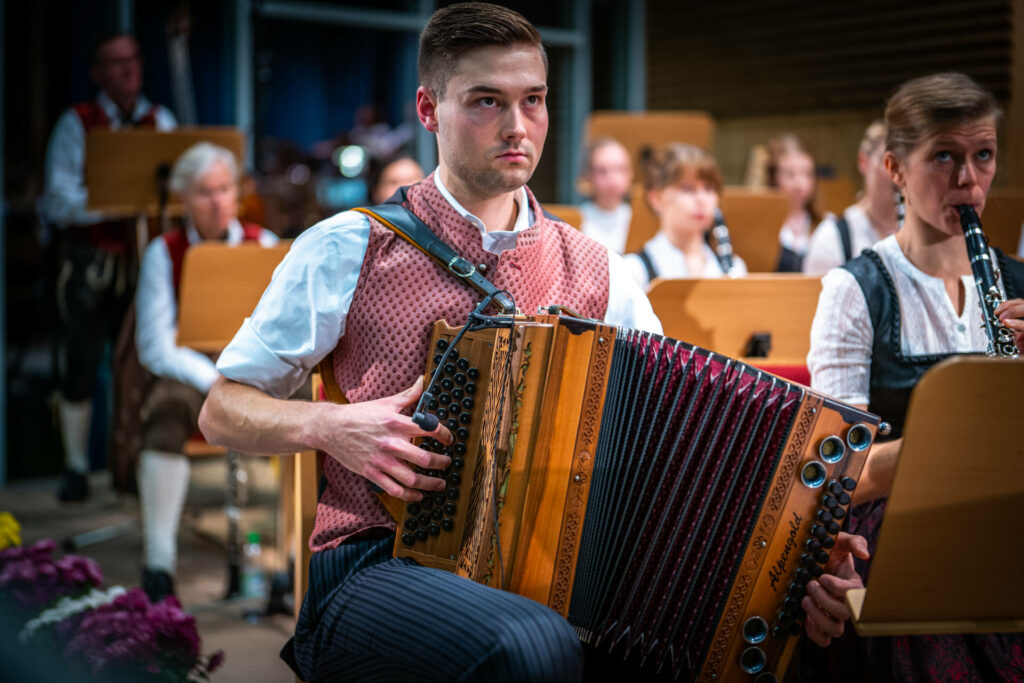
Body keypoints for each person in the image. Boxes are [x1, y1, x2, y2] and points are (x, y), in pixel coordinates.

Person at [198, 5, 862, 680]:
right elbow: (222, 409)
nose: (517, 125)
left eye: (534, 100)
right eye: (487, 101)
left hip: (560, 574)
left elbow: (679, 452)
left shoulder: (602, 272)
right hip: (374, 565)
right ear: (429, 110)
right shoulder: (350, 246)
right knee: (534, 646)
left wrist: (796, 564)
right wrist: (331, 426)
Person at [805, 72, 1024, 681]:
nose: (969, 180)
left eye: (984, 156)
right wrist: (956, 445)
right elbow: (831, 472)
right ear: (895, 169)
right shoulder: (856, 290)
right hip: (898, 539)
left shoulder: (1019, 280)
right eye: (944, 157)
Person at [134, 143, 278, 601]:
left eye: (224, 189)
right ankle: (159, 564)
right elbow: (154, 345)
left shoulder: (266, 244)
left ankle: (294, 559)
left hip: (259, 375)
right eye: (204, 192)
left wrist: (253, 375)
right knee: (165, 410)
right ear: (184, 198)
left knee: (317, 405)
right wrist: (215, 380)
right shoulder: (164, 252)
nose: (218, 201)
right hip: (195, 377)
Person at [43, 33, 177, 502]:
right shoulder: (78, 123)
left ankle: (129, 461)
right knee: (80, 361)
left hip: (143, 260)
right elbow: (58, 201)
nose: (128, 69)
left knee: (137, 363)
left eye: (133, 59)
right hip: (91, 261)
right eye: (115, 62)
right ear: (97, 73)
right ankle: (76, 466)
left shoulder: (160, 120)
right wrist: (116, 200)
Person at [624, 143, 747, 288]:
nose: (702, 199)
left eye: (709, 189)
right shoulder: (633, 270)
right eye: (688, 189)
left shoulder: (736, 267)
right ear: (656, 199)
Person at [803, 121, 900, 275]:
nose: (898, 173)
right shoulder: (832, 237)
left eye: (905, 162)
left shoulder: (925, 234)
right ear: (863, 162)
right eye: (888, 162)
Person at [765, 134, 824, 272]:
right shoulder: (762, 227)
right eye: (790, 174)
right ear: (774, 178)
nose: (800, 184)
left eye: (807, 174)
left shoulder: (826, 225)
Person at [578, 137, 633, 253]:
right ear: (588, 176)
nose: (612, 179)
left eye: (620, 169)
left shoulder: (640, 219)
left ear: (630, 173)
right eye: (602, 171)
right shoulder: (577, 219)